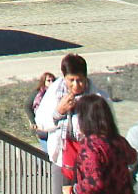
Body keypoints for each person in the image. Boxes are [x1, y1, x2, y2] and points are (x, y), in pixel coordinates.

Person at [35, 53, 109, 194]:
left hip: (90, 159)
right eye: (71, 80)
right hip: (62, 157)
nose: (76, 85)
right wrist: (58, 112)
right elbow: (41, 122)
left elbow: (108, 128)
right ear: (64, 77)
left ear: (86, 77)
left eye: (80, 80)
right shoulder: (54, 93)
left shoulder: (98, 97)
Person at [70, 94, 135, 194]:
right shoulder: (118, 140)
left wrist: (75, 189)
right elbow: (132, 157)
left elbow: (94, 183)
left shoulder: (90, 147)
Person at [27, 72, 57, 145]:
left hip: (54, 126)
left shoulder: (58, 92)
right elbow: (27, 106)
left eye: (53, 80)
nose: (51, 83)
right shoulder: (38, 93)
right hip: (41, 127)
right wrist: (32, 121)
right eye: (48, 81)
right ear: (43, 82)